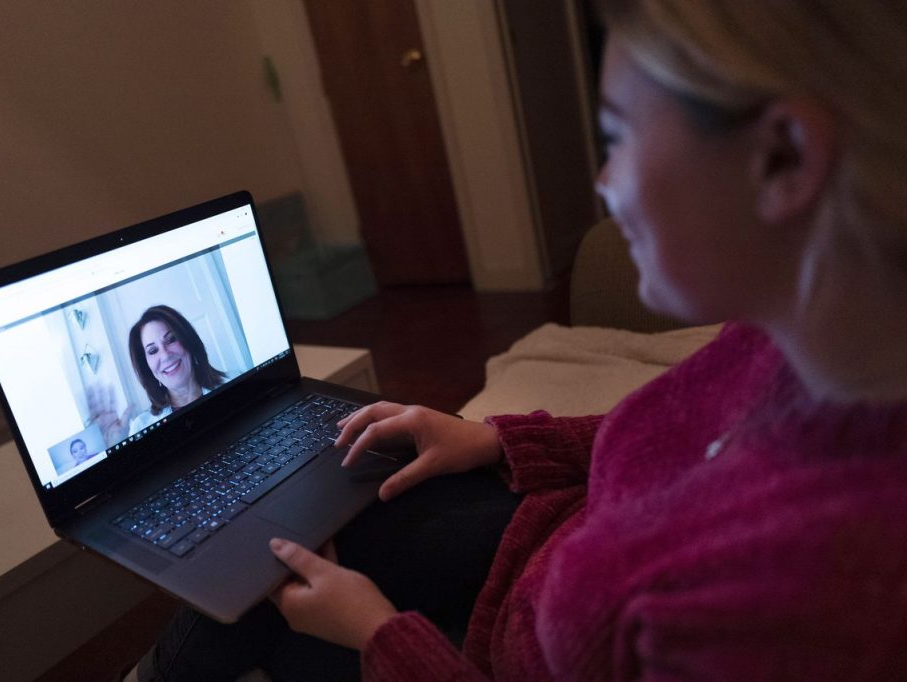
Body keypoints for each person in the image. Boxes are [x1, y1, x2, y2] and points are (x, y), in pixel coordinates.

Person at [129, 1, 907, 679]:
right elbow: (693, 438)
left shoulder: (815, 594)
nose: (603, 184)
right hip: (538, 551)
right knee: (341, 492)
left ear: (785, 157)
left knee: (256, 594)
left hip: (503, 643)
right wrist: (492, 442)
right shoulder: (805, 339)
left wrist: (377, 637)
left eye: (619, 136)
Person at [89, 305, 227, 446]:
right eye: (153, 350)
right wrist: (118, 449)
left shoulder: (232, 384)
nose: (165, 355)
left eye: (171, 339)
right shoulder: (140, 428)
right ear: (147, 367)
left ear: (188, 341)